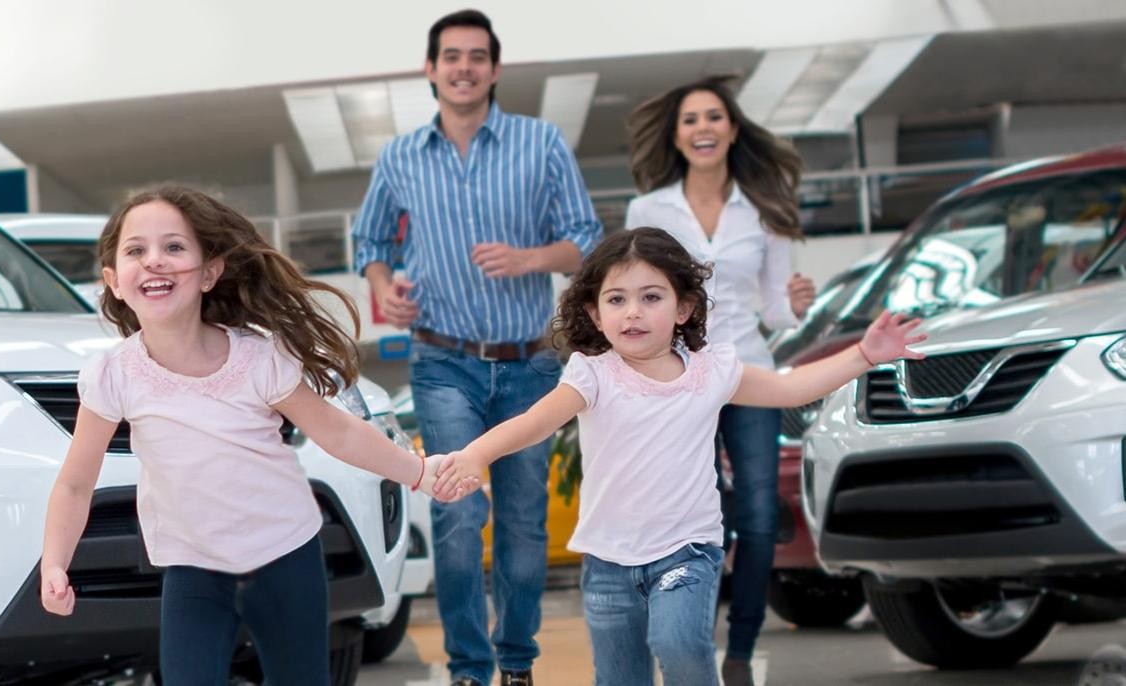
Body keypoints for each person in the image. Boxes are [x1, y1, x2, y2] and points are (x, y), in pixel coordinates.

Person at [432, 228, 924, 686]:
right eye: (616, 300)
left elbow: (791, 389)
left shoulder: (712, 371)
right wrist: (477, 454)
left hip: (687, 549)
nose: (633, 313)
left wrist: (864, 354)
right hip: (608, 561)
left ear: (683, 308)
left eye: (651, 298)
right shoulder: (592, 375)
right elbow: (535, 422)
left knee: (677, 639)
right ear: (596, 314)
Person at [37, 186, 453, 685]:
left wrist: (420, 473)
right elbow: (76, 483)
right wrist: (55, 564)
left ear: (210, 272)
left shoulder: (257, 358)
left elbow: (337, 431)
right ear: (113, 282)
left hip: (285, 556)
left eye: (174, 247)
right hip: (192, 570)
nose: (155, 262)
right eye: (136, 251)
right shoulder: (113, 374)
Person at [351, 9, 603, 685]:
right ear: (431, 69)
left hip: (530, 364)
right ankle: (469, 667)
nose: (463, 67)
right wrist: (384, 287)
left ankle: (515, 662)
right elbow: (369, 243)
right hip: (441, 362)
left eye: (476, 56)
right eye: (451, 56)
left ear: (494, 68)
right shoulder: (400, 157)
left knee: (522, 525)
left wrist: (529, 258)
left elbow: (585, 238)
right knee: (458, 513)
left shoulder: (540, 142)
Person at [624, 74, 817, 686]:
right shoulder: (648, 210)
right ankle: (691, 638)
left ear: (732, 130)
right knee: (695, 514)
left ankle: (741, 647)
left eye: (713, 117)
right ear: (676, 137)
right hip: (679, 377)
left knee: (759, 517)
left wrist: (797, 302)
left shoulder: (765, 207)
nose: (702, 128)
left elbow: (778, 312)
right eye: (690, 120)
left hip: (749, 369)